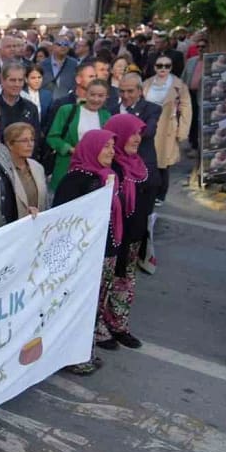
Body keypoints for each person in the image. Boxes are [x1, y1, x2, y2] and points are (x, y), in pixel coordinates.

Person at [53, 129, 123, 375]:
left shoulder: (108, 175)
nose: (111, 152)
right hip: (84, 257)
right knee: (79, 307)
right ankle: (71, 356)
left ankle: (86, 351)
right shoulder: (76, 180)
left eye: (113, 147)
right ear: (91, 148)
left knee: (95, 306)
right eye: (105, 147)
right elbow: (63, 222)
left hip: (106, 252)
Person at [100, 114, 154, 350]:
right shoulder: (110, 167)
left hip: (135, 236)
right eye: (132, 133)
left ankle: (118, 324)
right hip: (112, 238)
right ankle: (99, 328)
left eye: (139, 133)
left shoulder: (139, 163)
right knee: (105, 283)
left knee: (126, 282)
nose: (136, 138)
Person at [47, 79, 111, 191]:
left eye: (100, 96)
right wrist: (70, 149)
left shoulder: (107, 116)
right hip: (66, 167)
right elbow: (52, 137)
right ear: (85, 94)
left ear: (106, 97)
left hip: (94, 173)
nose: (96, 99)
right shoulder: (67, 110)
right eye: (92, 95)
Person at [143, 57, 191, 204]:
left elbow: (186, 108)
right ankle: (146, 190)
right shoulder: (147, 84)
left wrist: (183, 131)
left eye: (167, 66)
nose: (163, 69)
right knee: (146, 160)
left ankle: (160, 195)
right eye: (159, 65)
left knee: (163, 163)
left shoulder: (179, 85)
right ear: (154, 67)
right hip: (148, 125)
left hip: (167, 128)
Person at [3, 123, 49, 219]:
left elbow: (45, 203)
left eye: (32, 140)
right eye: (24, 141)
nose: (30, 144)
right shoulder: (3, 169)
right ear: (10, 144)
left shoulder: (38, 167)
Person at [23, 65, 53, 129]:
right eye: (33, 78)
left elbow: (50, 117)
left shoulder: (47, 95)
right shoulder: (21, 94)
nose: (37, 81)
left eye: (39, 77)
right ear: (26, 79)